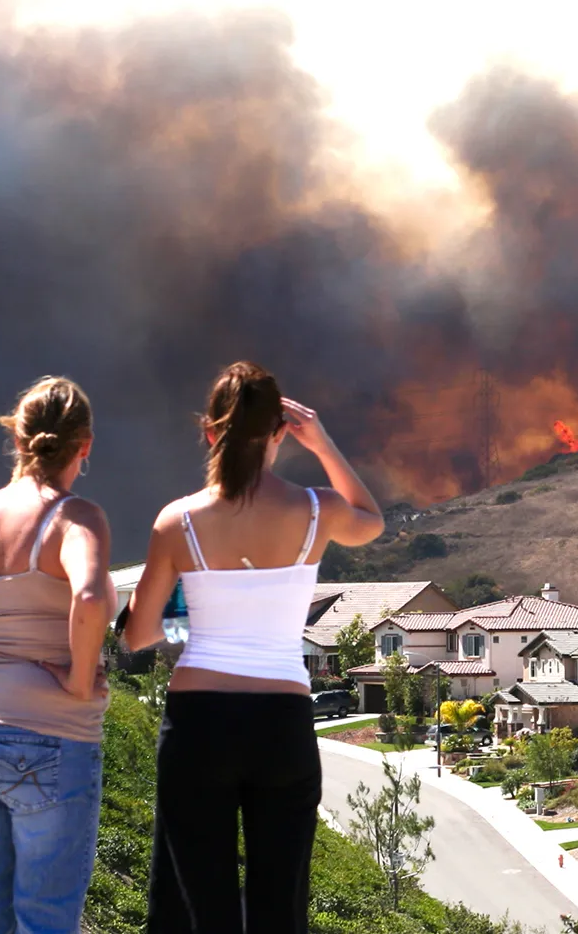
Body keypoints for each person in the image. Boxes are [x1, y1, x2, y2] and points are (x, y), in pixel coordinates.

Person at [123, 361, 384, 933]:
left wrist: (188, 620)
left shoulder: (179, 521)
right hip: (282, 723)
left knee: (199, 906)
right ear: (280, 432)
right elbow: (372, 521)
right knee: (280, 903)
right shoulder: (316, 510)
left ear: (209, 431)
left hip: (198, 725)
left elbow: (138, 635)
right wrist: (323, 444)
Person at [0, 377, 113, 933]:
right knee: (44, 919)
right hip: (46, 734)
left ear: (16, 437)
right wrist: (79, 684)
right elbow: (88, 597)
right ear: (84, 445)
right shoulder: (75, 516)